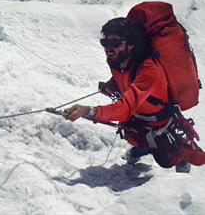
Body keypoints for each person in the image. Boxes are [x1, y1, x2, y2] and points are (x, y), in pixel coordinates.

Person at [64, 17, 205, 172]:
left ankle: (182, 154)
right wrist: (113, 85)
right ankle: (144, 146)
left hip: (157, 122)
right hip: (138, 116)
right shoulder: (117, 60)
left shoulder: (150, 71)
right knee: (131, 134)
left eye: (115, 43)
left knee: (166, 160)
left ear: (130, 44)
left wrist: (89, 111)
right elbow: (124, 77)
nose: (108, 48)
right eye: (105, 43)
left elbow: (124, 108)